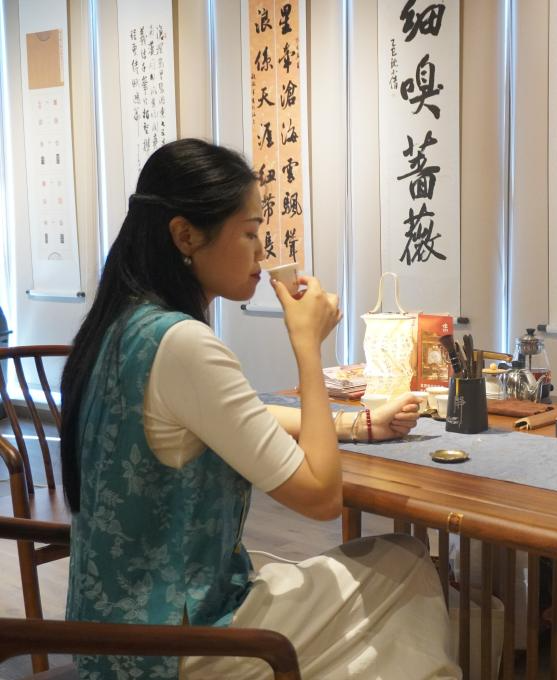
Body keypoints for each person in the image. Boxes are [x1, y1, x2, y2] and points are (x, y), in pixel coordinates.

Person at [59, 139, 460, 679]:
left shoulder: (121, 325)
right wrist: (307, 347)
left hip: (105, 635)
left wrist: (358, 423)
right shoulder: (184, 343)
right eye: (249, 233)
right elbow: (321, 497)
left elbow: (233, 422)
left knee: (379, 587)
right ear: (185, 235)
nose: (262, 251)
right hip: (174, 645)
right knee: (405, 561)